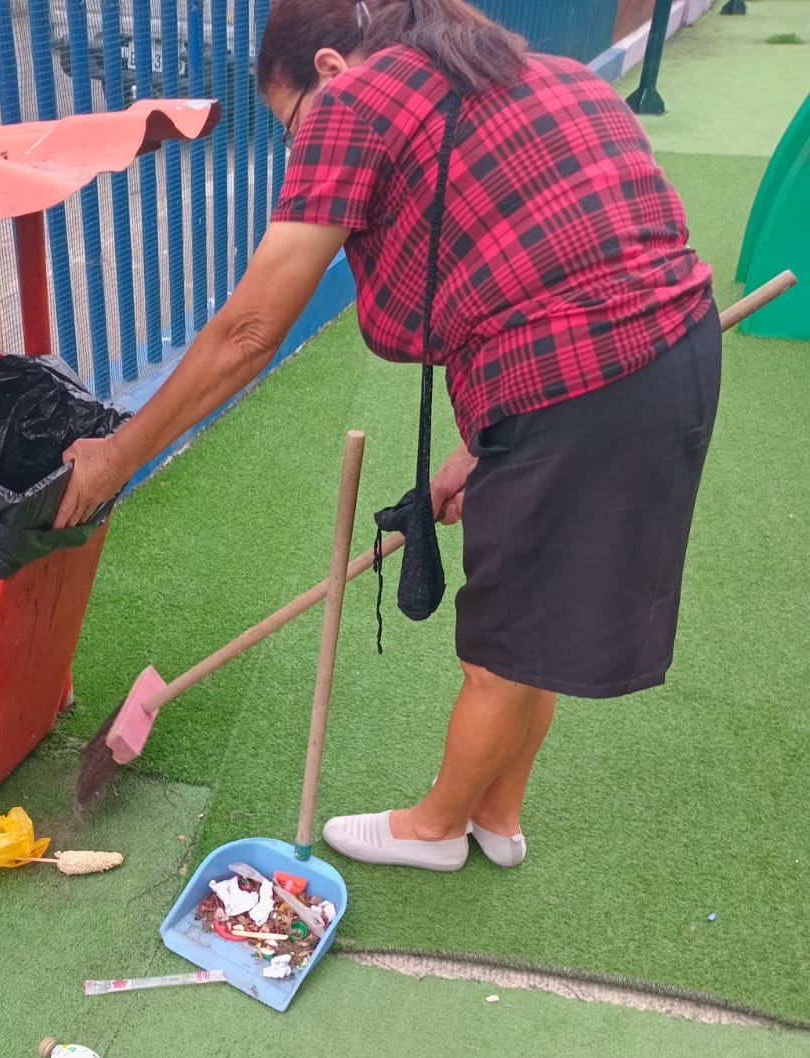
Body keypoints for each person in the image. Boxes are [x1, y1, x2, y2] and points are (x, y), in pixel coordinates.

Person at [56, 0, 721, 872]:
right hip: (670, 359)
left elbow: (250, 330)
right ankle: (497, 817)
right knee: (539, 625)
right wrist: (481, 447)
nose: (297, 146)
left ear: (329, 70)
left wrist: (115, 458)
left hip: (582, 384)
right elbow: (550, 264)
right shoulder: (531, 73)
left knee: (500, 649)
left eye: (289, 124)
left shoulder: (353, 101)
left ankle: (435, 828)